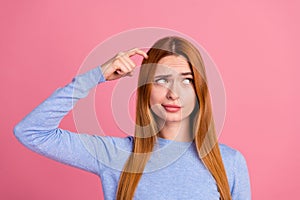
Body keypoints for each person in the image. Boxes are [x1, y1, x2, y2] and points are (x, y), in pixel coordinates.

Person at [14, 36, 251, 200]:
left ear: (199, 91)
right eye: (161, 80)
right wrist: (97, 75)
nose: (173, 93)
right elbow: (32, 132)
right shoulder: (117, 155)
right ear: (146, 89)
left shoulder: (229, 162)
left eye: (186, 80)